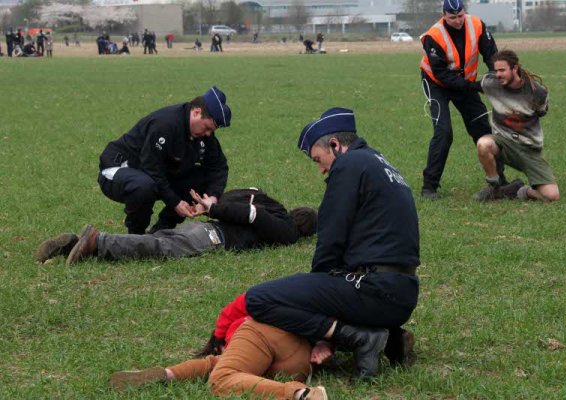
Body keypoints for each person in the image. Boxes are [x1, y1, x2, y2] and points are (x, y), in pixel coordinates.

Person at [244, 108, 420, 379]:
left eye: (318, 159)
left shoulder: (348, 166)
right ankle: (391, 338)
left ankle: (361, 338)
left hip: (374, 289)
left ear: (336, 145)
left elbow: (330, 240)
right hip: (403, 295)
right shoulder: (380, 163)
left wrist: (319, 316)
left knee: (258, 299)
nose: (321, 169)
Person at [108, 293, 329, 399]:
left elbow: (237, 306)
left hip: (261, 334)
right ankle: (167, 374)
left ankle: (300, 394)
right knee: (219, 364)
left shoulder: (246, 317)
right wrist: (326, 342)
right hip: (302, 360)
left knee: (221, 376)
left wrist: (219, 338)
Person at [35, 188, 318, 264]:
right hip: (215, 236)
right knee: (160, 245)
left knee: (159, 240)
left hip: (211, 228)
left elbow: (242, 197)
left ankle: (73, 244)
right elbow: (252, 215)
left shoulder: (269, 201)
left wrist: (214, 205)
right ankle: (98, 241)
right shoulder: (286, 227)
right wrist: (214, 208)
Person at [96, 87, 231, 235]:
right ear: (196, 112)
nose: (208, 134)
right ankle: (136, 237)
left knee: (202, 178)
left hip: (150, 174)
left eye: (212, 131)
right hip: (117, 169)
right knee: (144, 185)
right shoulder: (166, 124)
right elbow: (151, 167)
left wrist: (212, 197)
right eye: (207, 128)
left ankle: (161, 231)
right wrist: (175, 202)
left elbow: (218, 167)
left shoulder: (203, 135)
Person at [419, 0, 500, 200]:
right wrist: (475, 87)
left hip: (465, 82)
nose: (457, 21)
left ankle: (499, 181)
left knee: (482, 128)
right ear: (444, 15)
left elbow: (491, 54)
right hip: (436, 83)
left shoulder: (477, 25)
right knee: (444, 132)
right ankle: (429, 187)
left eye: (460, 15)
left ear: (465, 12)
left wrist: (496, 74)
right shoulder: (433, 36)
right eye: (452, 17)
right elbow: (442, 74)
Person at [472, 50, 560, 202]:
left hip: (529, 149)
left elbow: (542, 111)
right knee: (483, 144)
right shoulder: (491, 83)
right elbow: (469, 86)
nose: (498, 74)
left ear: (515, 68)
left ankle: (521, 191)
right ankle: (495, 189)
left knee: (552, 196)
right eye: (496, 70)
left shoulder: (537, 92)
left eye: (502, 70)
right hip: (503, 143)